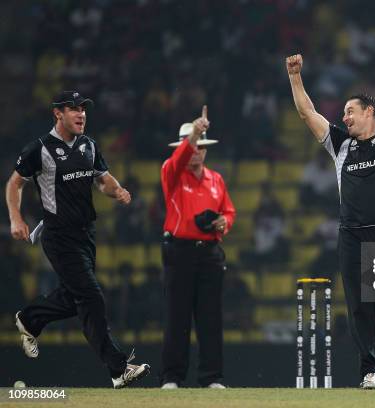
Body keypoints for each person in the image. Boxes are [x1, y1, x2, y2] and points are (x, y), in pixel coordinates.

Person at [286, 33, 375, 389]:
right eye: (343, 112)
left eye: (350, 111)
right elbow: (306, 112)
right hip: (351, 235)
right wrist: (295, 77)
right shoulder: (340, 145)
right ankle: (370, 371)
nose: (344, 117)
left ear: (370, 112)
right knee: (359, 307)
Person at [5, 90, 150, 389]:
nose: (81, 113)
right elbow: (15, 182)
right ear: (57, 113)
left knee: (77, 299)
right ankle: (118, 368)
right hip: (59, 236)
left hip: (86, 234)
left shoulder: (89, 145)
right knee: (92, 298)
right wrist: (16, 218)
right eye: (73, 108)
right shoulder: (40, 148)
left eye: (83, 108)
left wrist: (118, 190)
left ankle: (30, 319)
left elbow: (103, 179)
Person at [160, 105, 235, 389]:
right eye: (193, 145)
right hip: (179, 251)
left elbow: (229, 211)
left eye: (201, 146)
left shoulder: (216, 179)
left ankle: (212, 378)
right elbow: (176, 160)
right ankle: (171, 377)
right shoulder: (172, 173)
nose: (197, 150)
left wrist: (222, 224)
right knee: (177, 317)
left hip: (209, 254)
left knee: (210, 319)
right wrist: (194, 131)